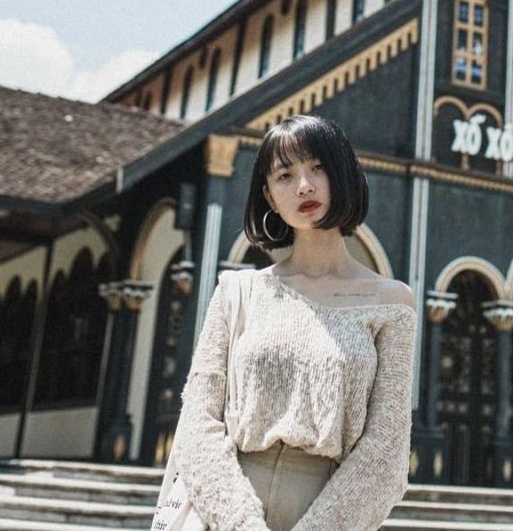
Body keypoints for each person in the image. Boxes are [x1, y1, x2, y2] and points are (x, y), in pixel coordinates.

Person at [170, 114, 417, 531]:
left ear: (343, 175)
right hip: (226, 513)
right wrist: (242, 525)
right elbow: (197, 424)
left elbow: (386, 451)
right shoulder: (237, 292)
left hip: (332, 512)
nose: (304, 185)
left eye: (318, 167)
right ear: (269, 195)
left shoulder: (391, 303)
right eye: (285, 175)